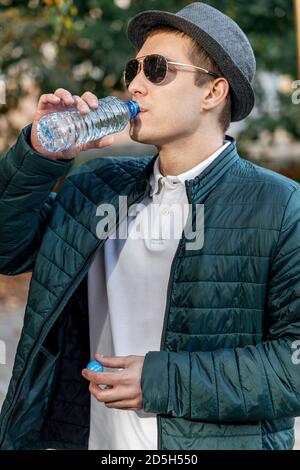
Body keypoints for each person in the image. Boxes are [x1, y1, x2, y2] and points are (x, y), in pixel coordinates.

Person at [0, 1, 300, 451]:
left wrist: (162, 381)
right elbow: (8, 250)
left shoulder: (278, 205)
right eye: (133, 70)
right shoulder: (94, 187)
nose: (136, 85)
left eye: (157, 69)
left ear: (213, 92)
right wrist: (39, 157)